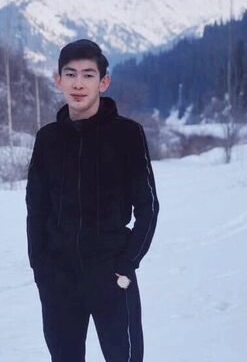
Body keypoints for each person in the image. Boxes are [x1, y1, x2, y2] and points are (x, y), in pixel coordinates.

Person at [26, 39, 159, 362]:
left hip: (111, 275)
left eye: (88, 75)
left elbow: (148, 207)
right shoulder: (48, 139)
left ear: (104, 82)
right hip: (60, 280)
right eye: (70, 74)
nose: (78, 83)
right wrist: (41, 269)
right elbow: (36, 211)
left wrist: (127, 264)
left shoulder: (127, 134)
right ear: (58, 80)